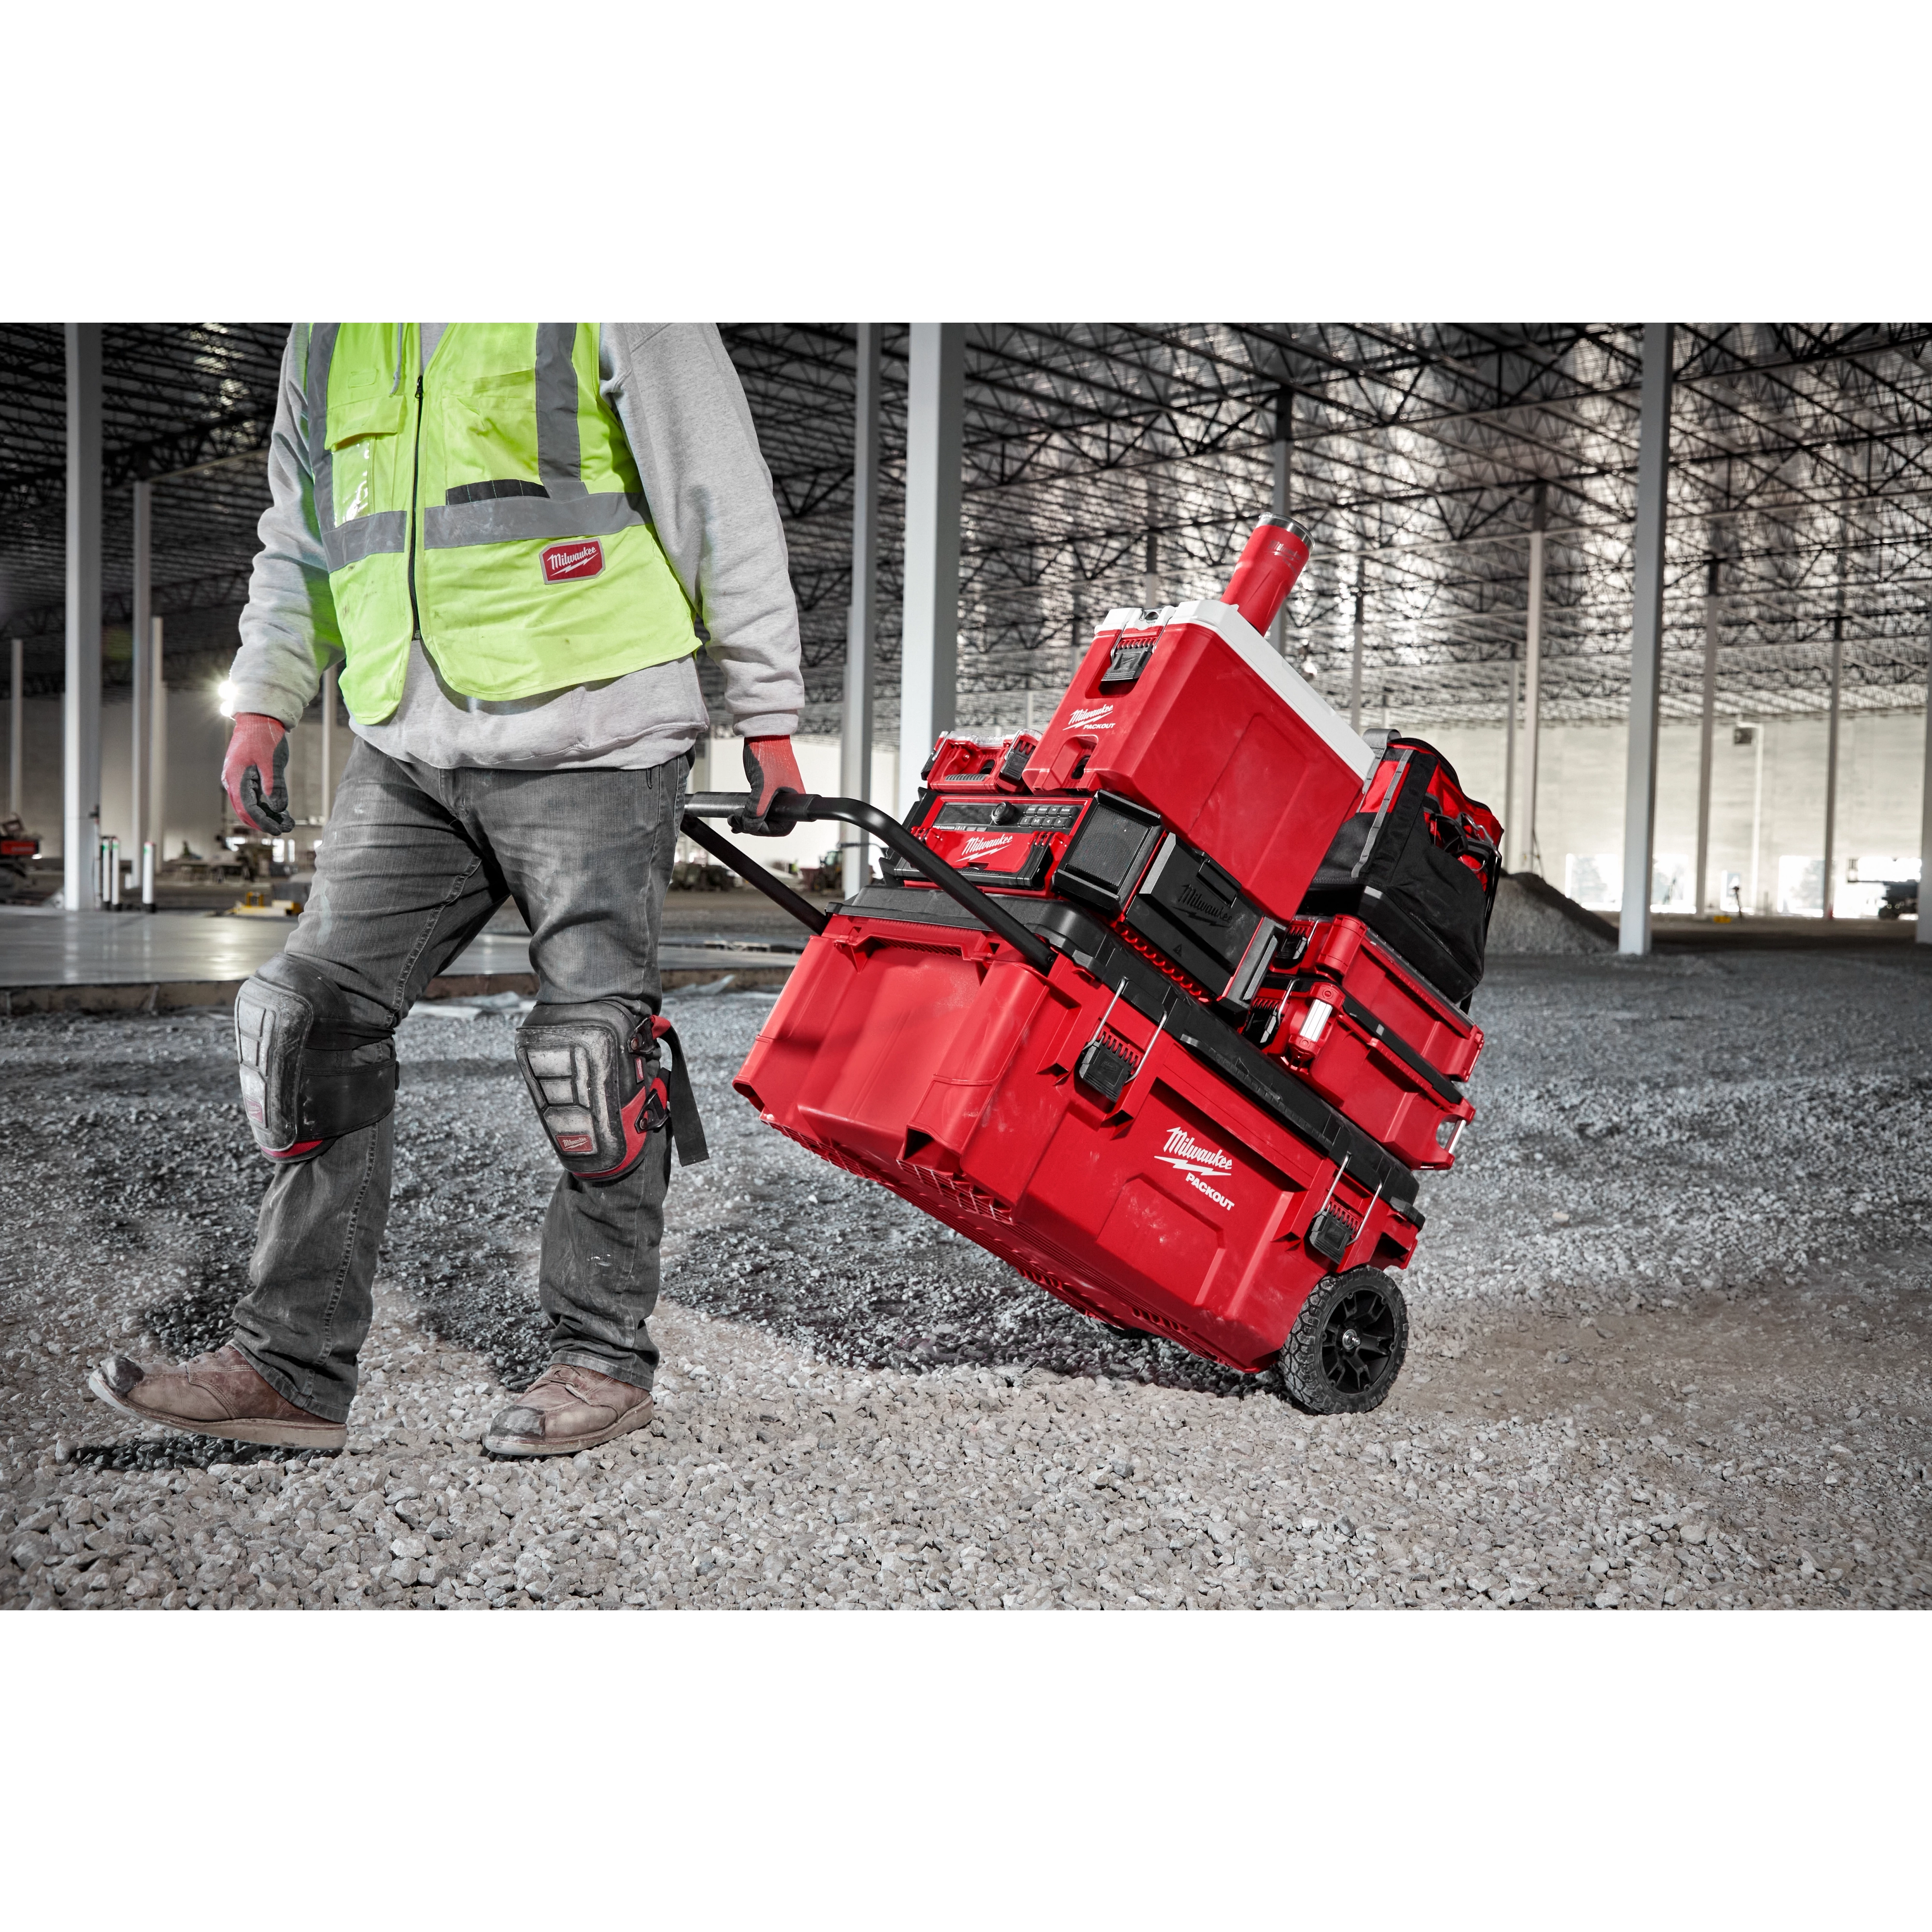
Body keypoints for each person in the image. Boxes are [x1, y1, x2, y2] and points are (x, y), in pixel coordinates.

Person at [89, 321, 803, 1458]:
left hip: (595, 716)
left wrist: (767, 707)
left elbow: (717, 483)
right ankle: (291, 1367)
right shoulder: (326, 338)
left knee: (592, 1054)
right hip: (408, 735)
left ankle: (601, 1358)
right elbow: (302, 533)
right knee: (304, 1022)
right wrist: (266, 696)